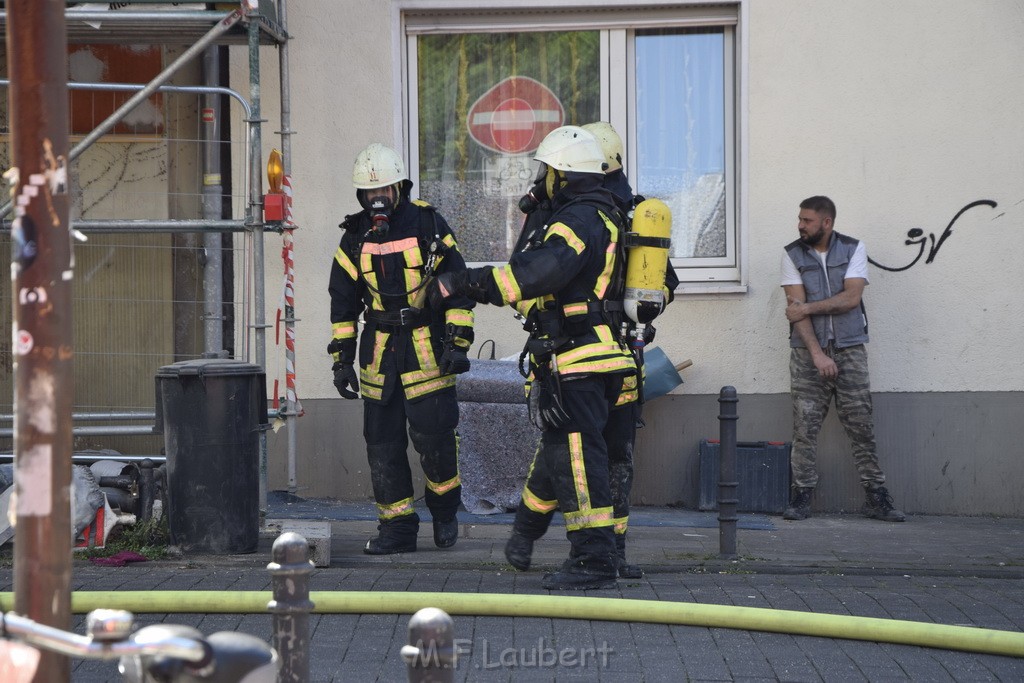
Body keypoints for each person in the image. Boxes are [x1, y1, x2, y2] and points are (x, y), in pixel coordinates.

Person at [427, 125, 636, 590]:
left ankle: (592, 560)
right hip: (596, 355)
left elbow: (535, 274)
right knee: (562, 453)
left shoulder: (578, 220)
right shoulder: (604, 214)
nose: (541, 178)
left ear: (563, 174)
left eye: (547, 169)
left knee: (580, 460)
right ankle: (526, 534)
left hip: (581, 359)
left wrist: (464, 282)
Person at [505, 121, 678, 579]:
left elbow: (526, 277)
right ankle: (552, 536)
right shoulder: (612, 213)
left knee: (585, 450)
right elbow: (528, 274)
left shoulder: (595, 215)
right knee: (586, 450)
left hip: (597, 354)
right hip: (606, 353)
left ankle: (601, 553)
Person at [328, 142, 476, 554]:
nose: (377, 200)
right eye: (369, 194)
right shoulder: (354, 237)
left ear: (399, 188)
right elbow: (343, 303)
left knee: (435, 440)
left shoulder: (428, 224)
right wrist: (341, 359)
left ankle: (445, 511)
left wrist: (458, 342)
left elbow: (457, 288)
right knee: (382, 443)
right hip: (378, 354)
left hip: (427, 349)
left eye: (384, 192)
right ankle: (397, 530)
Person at [780, 195, 905, 523]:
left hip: (850, 350)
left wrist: (806, 307)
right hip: (807, 354)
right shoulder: (791, 254)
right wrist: (818, 355)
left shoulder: (853, 248)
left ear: (827, 223)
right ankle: (802, 495)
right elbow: (796, 314)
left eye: (807, 220)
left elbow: (852, 298)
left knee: (861, 426)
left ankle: (876, 497)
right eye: (800, 219)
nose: (800, 225)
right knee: (804, 427)